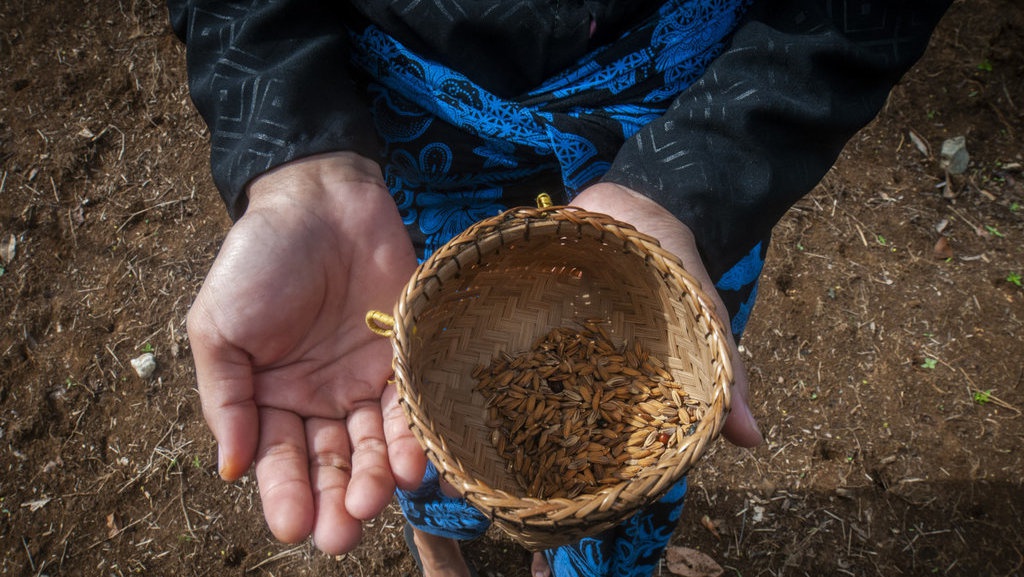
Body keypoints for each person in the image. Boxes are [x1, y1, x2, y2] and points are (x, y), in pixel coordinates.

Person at [168, 0, 951, 575]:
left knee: (617, 458)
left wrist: (695, 180)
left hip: (687, 119)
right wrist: (295, 155)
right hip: (399, 127)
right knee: (402, 394)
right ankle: (440, 549)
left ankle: (569, 546)